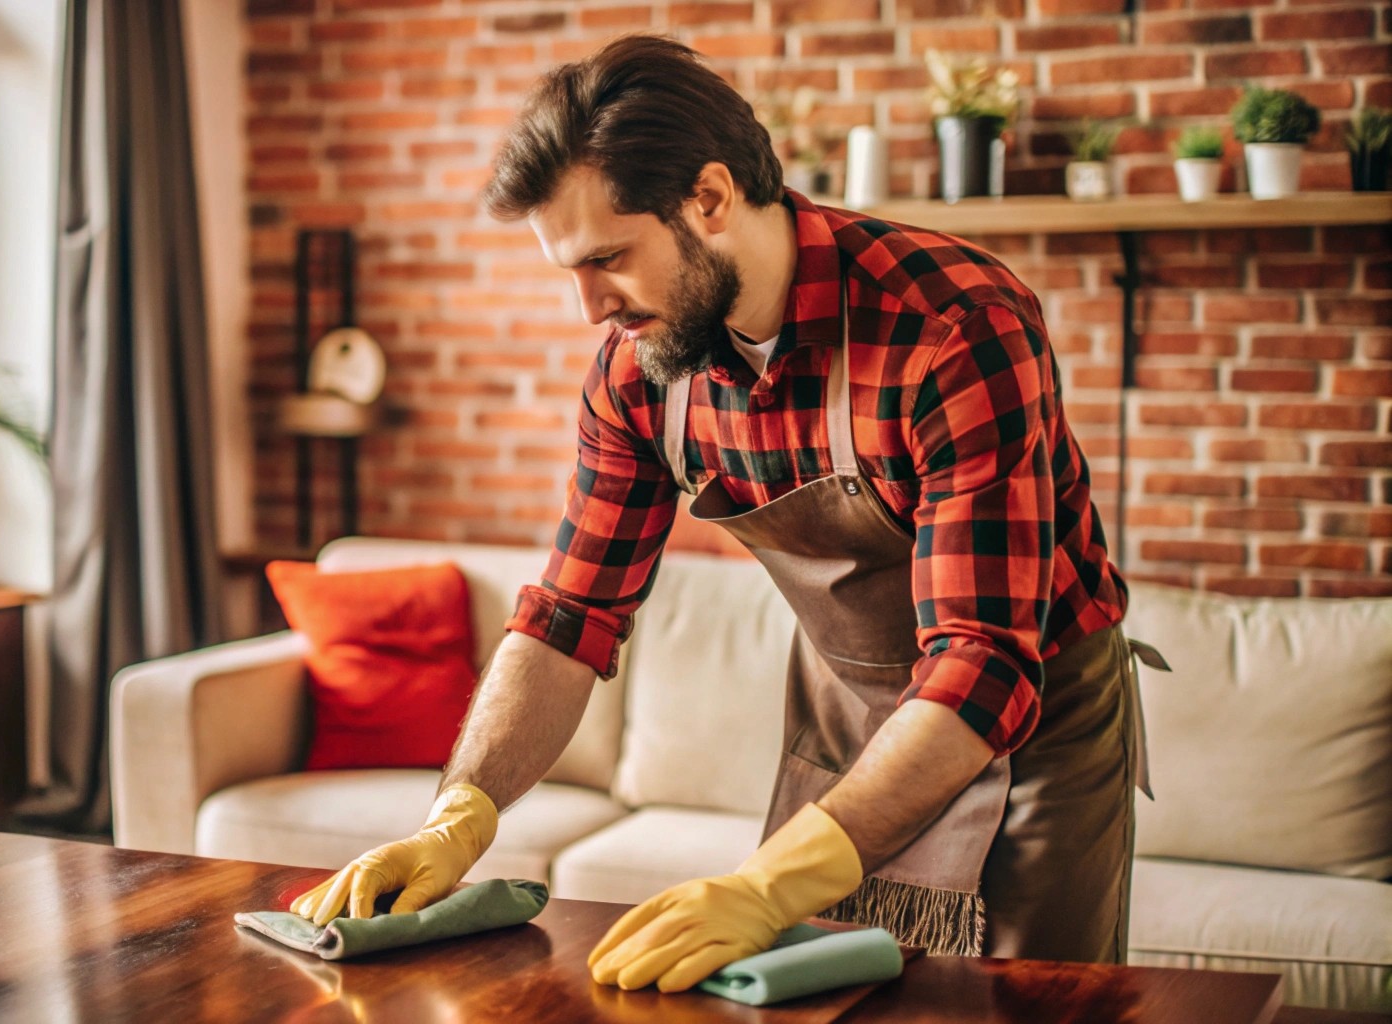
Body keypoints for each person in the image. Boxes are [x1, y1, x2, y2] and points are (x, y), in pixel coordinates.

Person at [289, 34, 1154, 994]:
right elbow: (571, 617)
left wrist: (762, 885)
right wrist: (458, 815)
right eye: (568, 270)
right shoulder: (637, 370)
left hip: (1032, 734)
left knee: (1017, 1011)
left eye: (608, 259)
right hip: (847, 723)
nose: (587, 309)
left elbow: (985, 664)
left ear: (708, 199)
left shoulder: (952, 329)